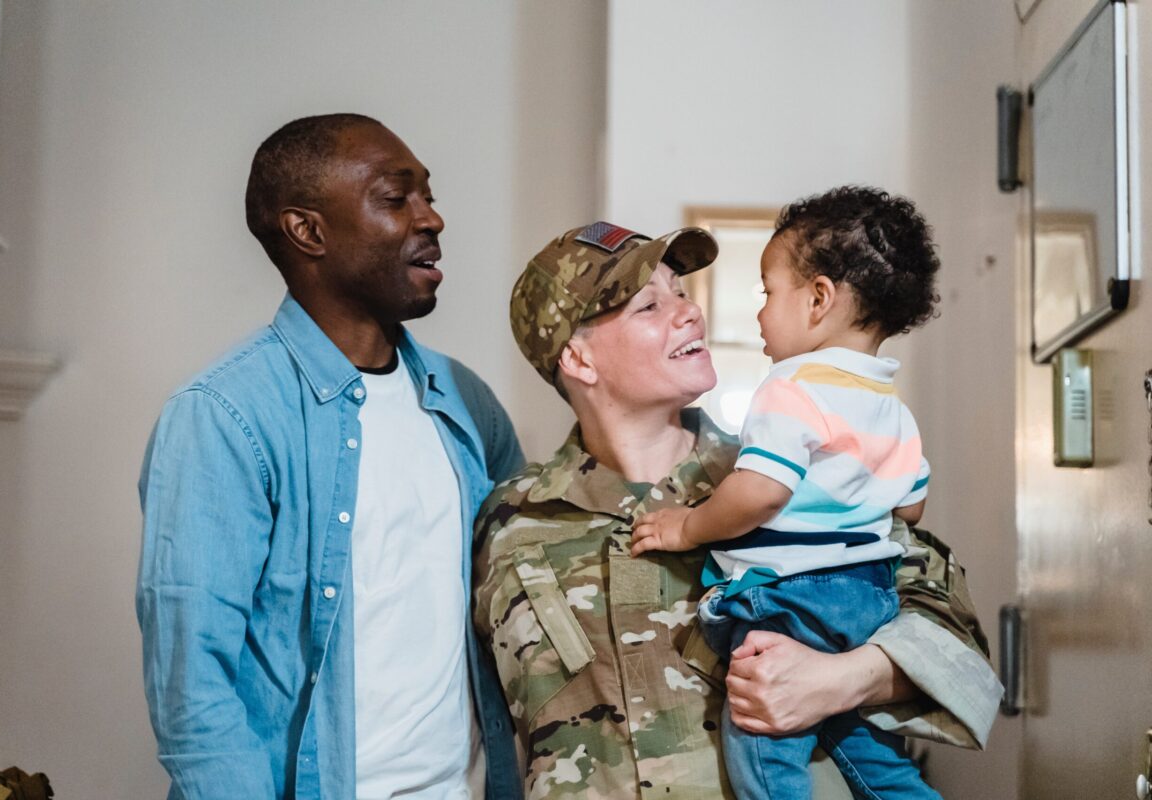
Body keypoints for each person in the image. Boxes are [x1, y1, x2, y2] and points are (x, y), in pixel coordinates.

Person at [473, 221, 1003, 798]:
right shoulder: (510, 523)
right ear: (577, 358)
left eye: (682, 291)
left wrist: (842, 680)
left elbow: (958, 642)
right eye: (649, 305)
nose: (689, 312)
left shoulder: (798, 471)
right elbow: (484, 726)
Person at [136, 114, 525, 800]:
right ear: (308, 231)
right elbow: (192, 688)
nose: (431, 218)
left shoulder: (467, 401)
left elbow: (527, 604)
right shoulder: (224, 416)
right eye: (395, 197)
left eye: (428, 195)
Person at [631, 187, 941, 799]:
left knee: (760, 744)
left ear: (820, 298)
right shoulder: (890, 406)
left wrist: (686, 527)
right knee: (868, 751)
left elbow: (761, 494)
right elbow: (910, 507)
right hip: (870, 600)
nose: (760, 313)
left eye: (767, 293)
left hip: (791, 603)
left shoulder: (791, 386)